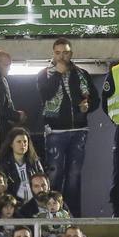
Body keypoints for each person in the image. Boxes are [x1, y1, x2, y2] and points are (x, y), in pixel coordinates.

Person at [36, 38, 98, 216]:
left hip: (79, 130)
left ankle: (73, 217)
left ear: (71, 53)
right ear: (53, 54)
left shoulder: (81, 73)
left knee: (74, 176)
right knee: (55, 175)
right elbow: (45, 95)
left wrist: (88, 106)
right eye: (58, 53)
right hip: (55, 131)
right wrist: (57, 74)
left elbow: (95, 99)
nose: (62, 56)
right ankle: (51, 215)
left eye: (65, 52)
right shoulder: (44, 74)